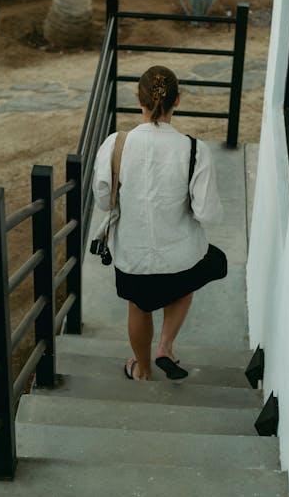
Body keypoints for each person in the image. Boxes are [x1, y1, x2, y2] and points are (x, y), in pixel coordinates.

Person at [92, 65, 226, 381]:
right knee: (190, 280)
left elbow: (102, 199)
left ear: (138, 100)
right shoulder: (196, 150)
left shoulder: (116, 145)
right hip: (180, 257)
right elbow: (207, 213)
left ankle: (142, 369)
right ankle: (165, 346)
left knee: (139, 306)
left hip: (132, 256)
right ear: (178, 100)